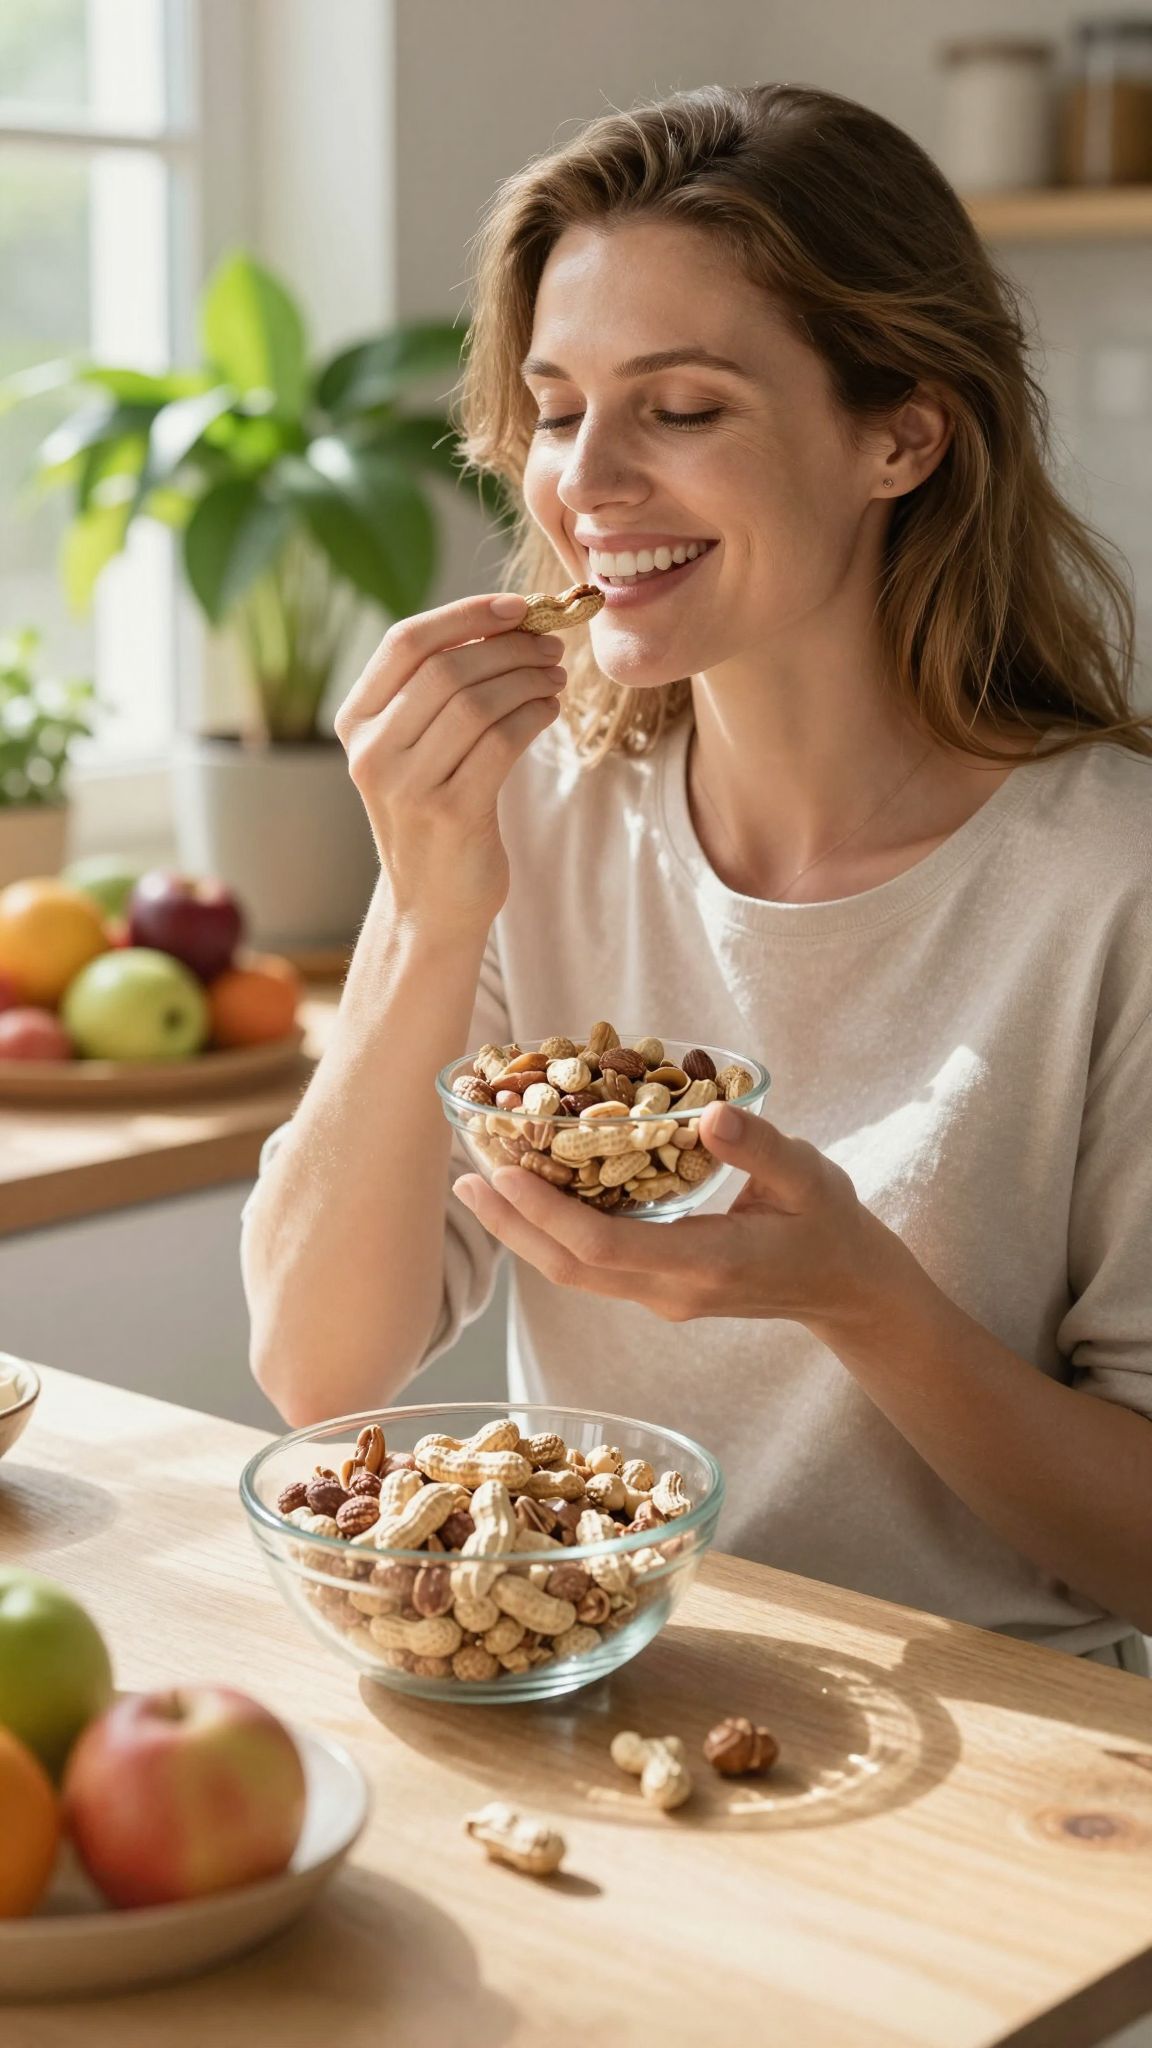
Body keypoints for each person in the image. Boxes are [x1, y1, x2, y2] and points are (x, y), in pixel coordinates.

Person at [242, 84, 1152, 1671]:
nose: (584, 479)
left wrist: (864, 1298)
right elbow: (321, 1370)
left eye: (682, 408)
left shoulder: (1113, 887)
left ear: (902, 434)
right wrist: (429, 915)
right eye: (557, 406)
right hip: (581, 1689)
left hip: (1018, 1780)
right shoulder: (536, 816)